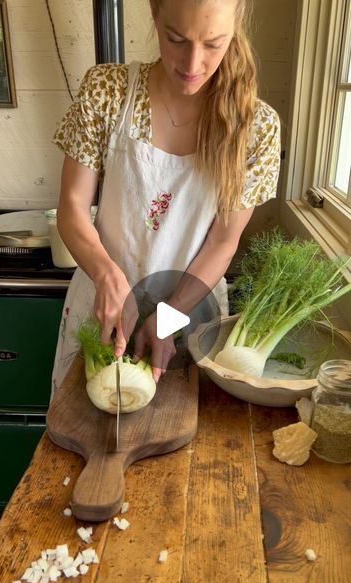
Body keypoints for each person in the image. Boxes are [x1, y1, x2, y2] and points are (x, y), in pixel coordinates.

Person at [51, 0, 281, 394]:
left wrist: (171, 315)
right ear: (154, 15)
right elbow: (71, 209)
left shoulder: (256, 127)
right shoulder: (108, 91)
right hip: (101, 308)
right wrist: (108, 277)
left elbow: (222, 242)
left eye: (213, 43)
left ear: (237, 22)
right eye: (176, 39)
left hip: (191, 314)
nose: (192, 64)